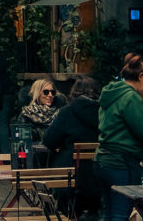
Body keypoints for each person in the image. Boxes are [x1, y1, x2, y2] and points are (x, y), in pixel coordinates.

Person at [96, 53, 143, 221]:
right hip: (121, 162)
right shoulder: (131, 97)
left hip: (102, 160)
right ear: (141, 76)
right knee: (121, 212)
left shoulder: (111, 92)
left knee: (108, 211)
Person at [43, 77, 101, 216]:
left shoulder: (67, 112)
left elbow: (49, 140)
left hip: (70, 181)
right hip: (100, 178)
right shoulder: (105, 113)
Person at [18, 78, 60, 144]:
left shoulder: (59, 114)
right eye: (46, 92)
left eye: (53, 92)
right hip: (35, 153)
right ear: (37, 94)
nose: (50, 95)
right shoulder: (27, 115)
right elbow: (23, 142)